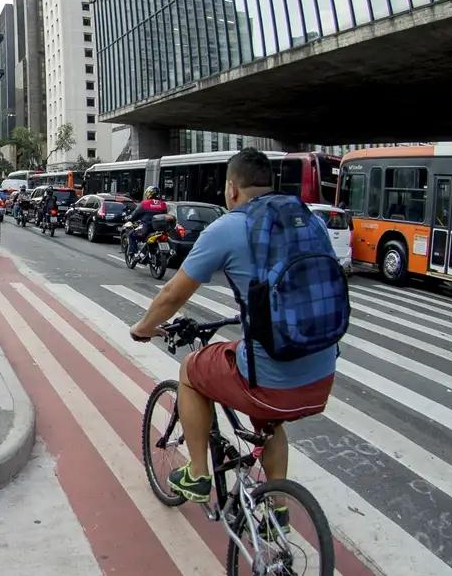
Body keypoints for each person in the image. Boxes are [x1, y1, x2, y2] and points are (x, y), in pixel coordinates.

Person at [128, 148, 341, 509]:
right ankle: (277, 511)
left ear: (232, 188)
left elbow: (172, 294)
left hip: (272, 381)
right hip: (322, 376)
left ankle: (197, 475)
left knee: (191, 370)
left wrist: (144, 328)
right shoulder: (310, 222)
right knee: (269, 424)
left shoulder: (229, 227)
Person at [125, 186, 168, 259]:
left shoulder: (144, 203)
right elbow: (165, 215)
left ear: (149, 194)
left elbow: (135, 214)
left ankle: (134, 254)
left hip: (147, 228)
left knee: (131, 235)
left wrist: (130, 219)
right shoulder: (163, 204)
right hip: (160, 229)